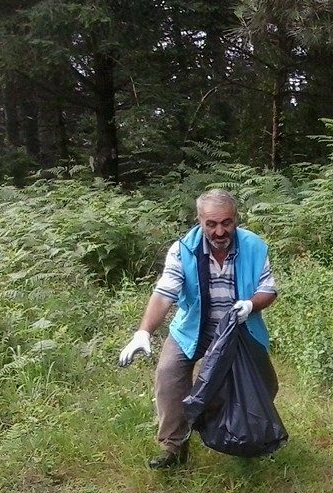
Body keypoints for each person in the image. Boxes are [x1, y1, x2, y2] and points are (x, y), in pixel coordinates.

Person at [118, 189, 278, 468]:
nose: (219, 231)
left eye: (226, 223)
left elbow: (269, 290)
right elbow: (165, 293)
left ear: (236, 219)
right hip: (193, 329)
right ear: (199, 220)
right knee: (169, 377)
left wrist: (251, 305)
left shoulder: (254, 246)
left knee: (265, 385)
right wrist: (143, 332)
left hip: (239, 330)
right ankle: (173, 449)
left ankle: (247, 438)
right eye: (211, 224)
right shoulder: (182, 250)